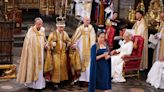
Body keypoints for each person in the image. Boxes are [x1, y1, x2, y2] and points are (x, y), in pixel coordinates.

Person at [16, 17, 46, 89]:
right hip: (32, 54)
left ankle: (39, 86)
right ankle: (31, 85)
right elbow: (27, 43)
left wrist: (45, 44)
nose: (39, 26)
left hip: (41, 54)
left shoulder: (43, 30)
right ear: (35, 24)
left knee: (40, 70)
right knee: (31, 69)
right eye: (38, 24)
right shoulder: (31, 31)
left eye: (40, 24)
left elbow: (44, 39)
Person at [44, 16, 71, 88]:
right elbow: (48, 44)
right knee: (56, 68)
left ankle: (62, 80)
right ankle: (55, 82)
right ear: (57, 27)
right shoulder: (52, 34)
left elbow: (69, 40)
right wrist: (51, 45)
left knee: (63, 67)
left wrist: (68, 44)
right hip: (55, 54)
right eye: (60, 27)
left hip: (63, 54)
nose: (62, 29)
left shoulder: (65, 33)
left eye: (63, 27)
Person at [71, 16, 96, 85]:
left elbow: (93, 39)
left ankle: (87, 80)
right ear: (83, 20)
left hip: (88, 49)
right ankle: (80, 78)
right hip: (80, 49)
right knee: (80, 63)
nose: (88, 21)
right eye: (87, 20)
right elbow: (76, 38)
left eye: (89, 20)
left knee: (88, 64)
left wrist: (93, 48)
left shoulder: (91, 28)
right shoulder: (80, 28)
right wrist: (75, 44)